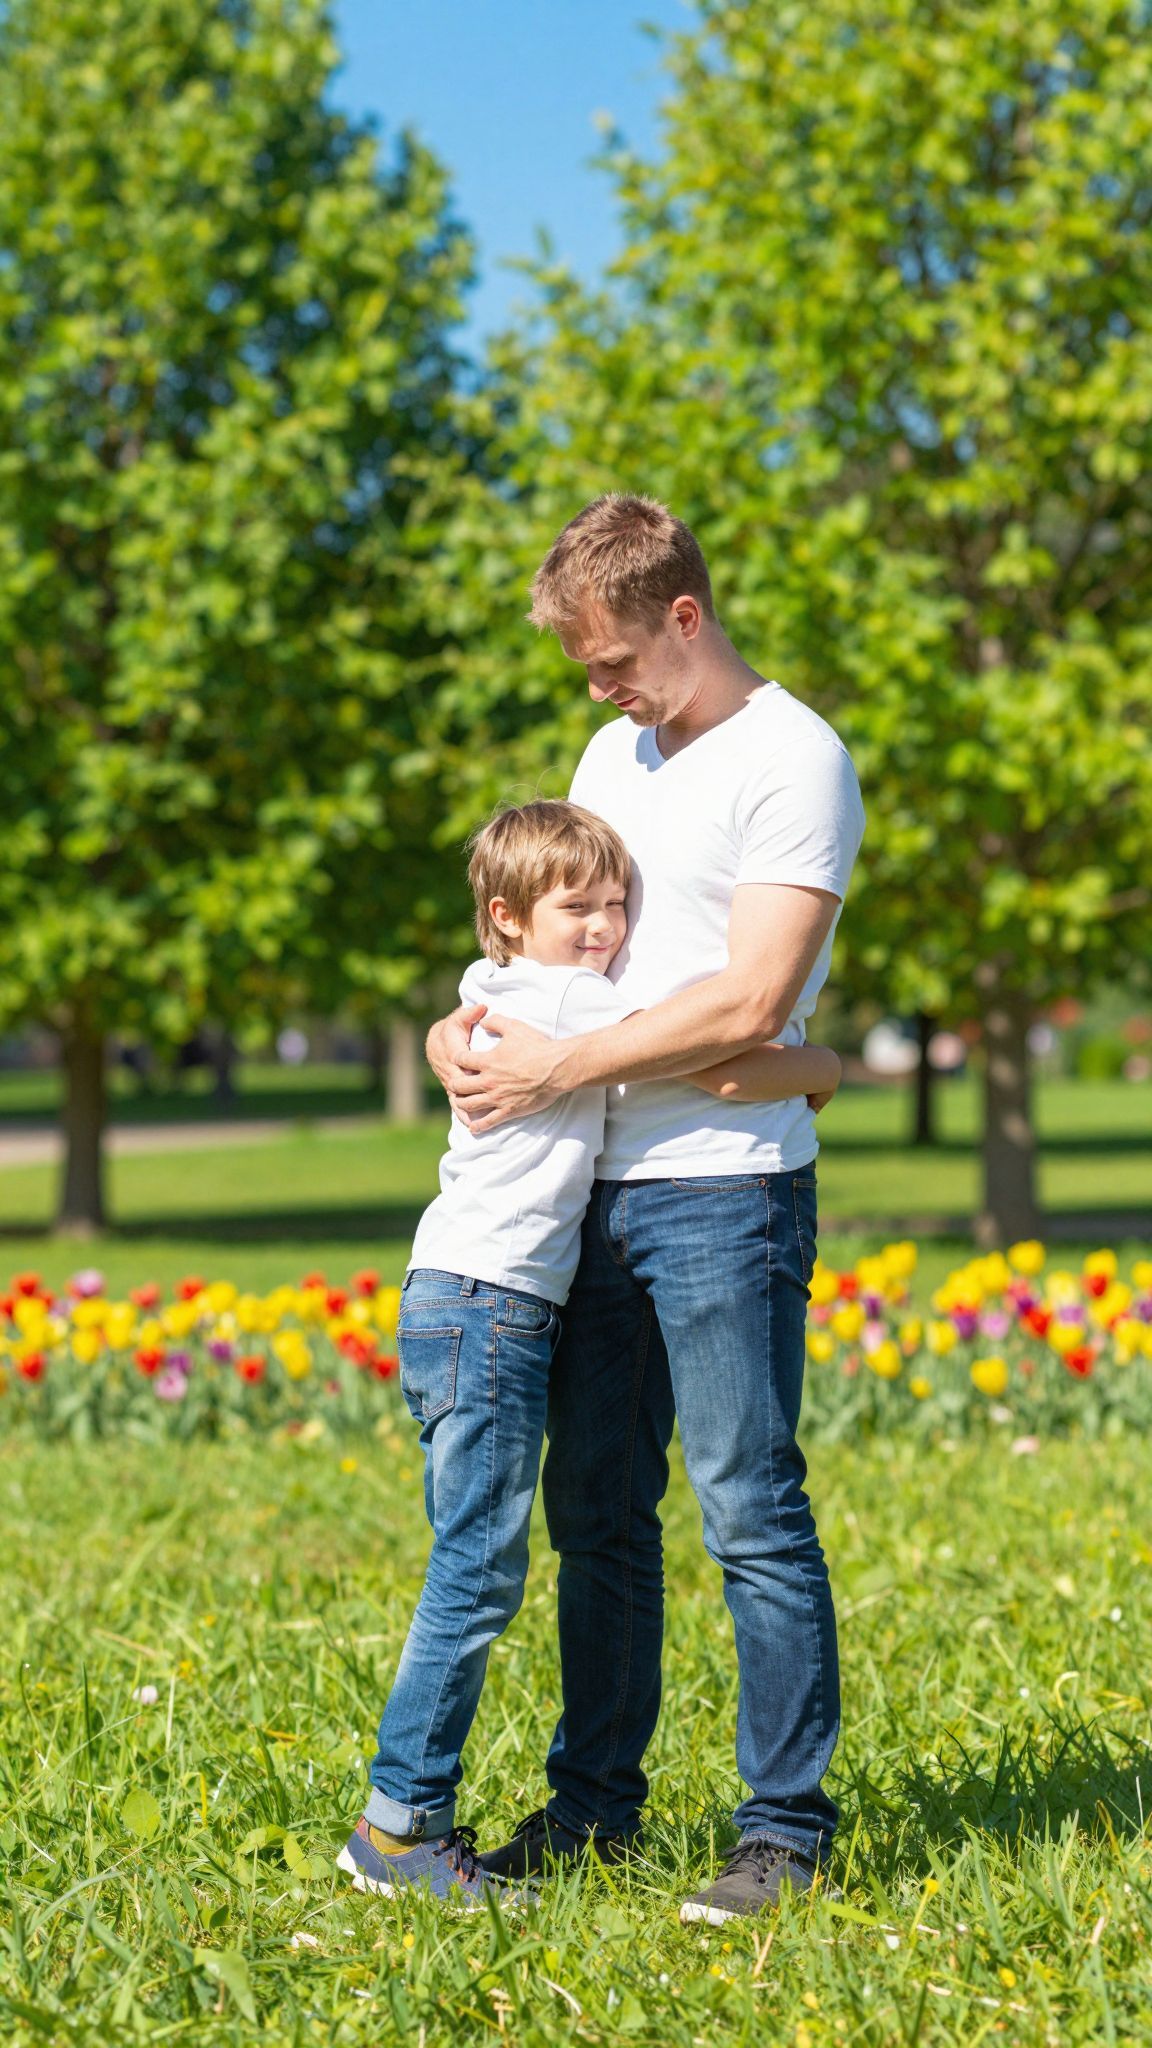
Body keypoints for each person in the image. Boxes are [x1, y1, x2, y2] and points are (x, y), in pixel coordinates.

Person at [428, 495, 866, 1925]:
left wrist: (566, 1062)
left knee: (750, 1506)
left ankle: (783, 1831)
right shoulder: (611, 750)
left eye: (612, 657)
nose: (599, 689)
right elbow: (552, 922)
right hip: (586, 1195)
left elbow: (748, 1001)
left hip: (723, 1193)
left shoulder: (795, 759)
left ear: (684, 615)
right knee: (599, 1510)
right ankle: (596, 1810)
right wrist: (469, 1024)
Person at [338, 796, 842, 1904]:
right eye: (583, 906)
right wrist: (826, 1068)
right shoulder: (576, 1000)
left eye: (619, 904)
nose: (610, 927)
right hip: (496, 1302)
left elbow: (464, 1021)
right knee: (474, 1569)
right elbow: (716, 1053)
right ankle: (398, 1826)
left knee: (496, 1554)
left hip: (465, 1293)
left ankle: (442, 1816)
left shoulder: (496, 989)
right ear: (509, 917)